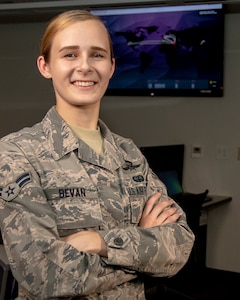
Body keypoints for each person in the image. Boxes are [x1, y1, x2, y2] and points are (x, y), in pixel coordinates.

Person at [0, 10, 194, 300]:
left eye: (97, 55)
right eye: (69, 55)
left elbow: (179, 247)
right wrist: (141, 250)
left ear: (112, 66)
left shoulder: (129, 153)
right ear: (45, 66)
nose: (85, 66)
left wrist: (99, 242)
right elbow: (44, 275)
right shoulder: (16, 153)